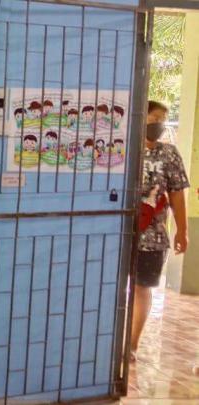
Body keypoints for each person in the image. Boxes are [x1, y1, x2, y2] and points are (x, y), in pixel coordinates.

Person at [131, 101, 189, 362]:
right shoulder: (124, 147)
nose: (160, 124)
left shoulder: (169, 154)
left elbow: (177, 194)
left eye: (163, 119)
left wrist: (182, 230)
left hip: (152, 237)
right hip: (119, 233)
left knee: (142, 288)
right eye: (155, 118)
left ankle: (132, 344)